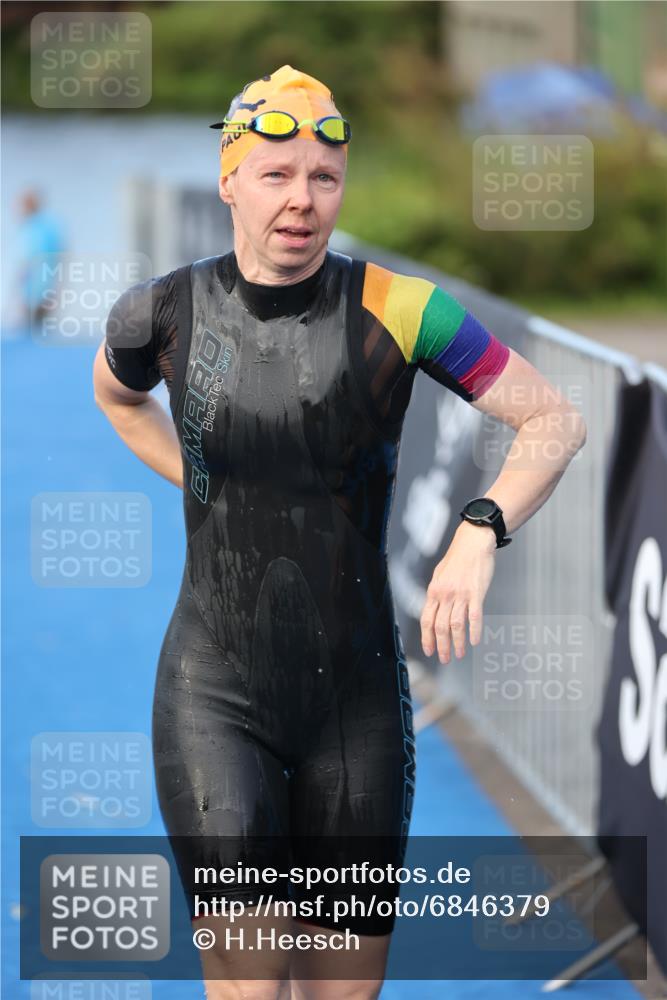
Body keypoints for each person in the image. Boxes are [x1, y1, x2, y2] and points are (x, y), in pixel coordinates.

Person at [93, 65, 587, 1000]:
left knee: (340, 991)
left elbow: (555, 420)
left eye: (323, 177)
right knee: (244, 981)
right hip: (213, 695)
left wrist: (480, 529)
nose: (301, 200)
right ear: (230, 180)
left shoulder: (404, 311)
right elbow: (117, 397)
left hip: (354, 709)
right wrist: (193, 471)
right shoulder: (160, 312)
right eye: (275, 174)